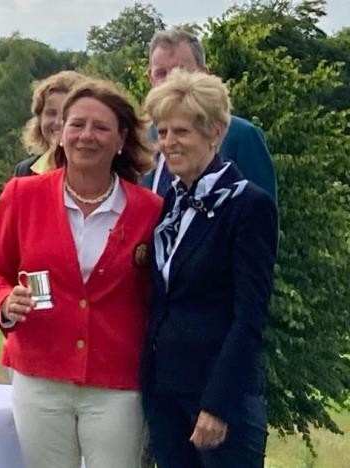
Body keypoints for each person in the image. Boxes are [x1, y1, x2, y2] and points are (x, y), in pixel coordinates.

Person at [0, 78, 162, 468]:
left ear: (121, 139)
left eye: (101, 127)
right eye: (76, 125)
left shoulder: (150, 210)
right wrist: (5, 302)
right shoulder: (21, 195)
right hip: (39, 377)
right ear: (59, 134)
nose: (86, 136)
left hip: (117, 382)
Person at [141, 68, 278, 468]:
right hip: (165, 394)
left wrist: (217, 405)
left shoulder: (248, 206)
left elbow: (249, 316)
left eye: (181, 132)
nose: (168, 143)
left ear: (215, 132)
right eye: (162, 132)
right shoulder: (170, 203)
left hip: (219, 402)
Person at [142, 29, 277, 201]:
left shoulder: (242, 136)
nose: (170, 81)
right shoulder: (142, 140)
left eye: (181, 70)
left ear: (204, 74)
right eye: (161, 73)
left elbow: (262, 214)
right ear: (150, 78)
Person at [14, 70, 86, 177]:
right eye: (51, 113)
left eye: (66, 114)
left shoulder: (108, 170)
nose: (58, 122)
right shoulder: (25, 171)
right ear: (39, 118)